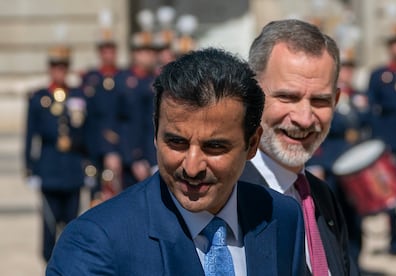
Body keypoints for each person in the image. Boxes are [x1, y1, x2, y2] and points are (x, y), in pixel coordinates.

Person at [46, 47, 305, 275]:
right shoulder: (97, 241)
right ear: (156, 134)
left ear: (251, 144)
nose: (192, 167)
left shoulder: (281, 217)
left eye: (214, 147)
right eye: (176, 143)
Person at [240, 19, 359, 275]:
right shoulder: (226, 198)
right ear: (251, 93)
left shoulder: (322, 197)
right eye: (287, 97)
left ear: (336, 100)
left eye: (320, 100)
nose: (304, 118)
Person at [24, 45, 88, 262]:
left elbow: (86, 134)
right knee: (49, 227)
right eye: (55, 66)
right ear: (49, 69)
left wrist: (89, 166)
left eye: (63, 66)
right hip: (49, 168)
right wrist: (30, 167)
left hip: (72, 168)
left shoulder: (78, 96)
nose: (59, 71)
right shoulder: (39, 98)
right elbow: (30, 135)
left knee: (72, 226)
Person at [307, 53, 371, 267]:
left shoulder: (359, 96)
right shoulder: (326, 99)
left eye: (351, 68)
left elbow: (369, 126)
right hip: (332, 165)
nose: (348, 73)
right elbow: (317, 132)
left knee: (356, 217)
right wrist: (316, 163)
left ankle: (355, 262)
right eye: (344, 68)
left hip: (355, 166)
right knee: (334, 216)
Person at [366, 25, 396, 256]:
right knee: (393, 195)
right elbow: (371, 111)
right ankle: (395, 240)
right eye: (395, 43)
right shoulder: (379, 76)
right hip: (389, 144)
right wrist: (378, 144)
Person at [110, 30, 159, 190]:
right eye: (144, 51)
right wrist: (133, 157)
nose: (149, 56)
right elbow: (117, 122)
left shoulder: (157, 80)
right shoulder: (123, 81)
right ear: (135, 54)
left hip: (155, 155)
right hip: (131, 156)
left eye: (151, 51)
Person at [82, 21, 121, 205]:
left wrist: (112, 148)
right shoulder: (90, 79)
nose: (108, 54)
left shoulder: (123, 77)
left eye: (111, 50)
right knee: (96, 199)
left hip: (119, 148)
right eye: (104, 50)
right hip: (94, 147)